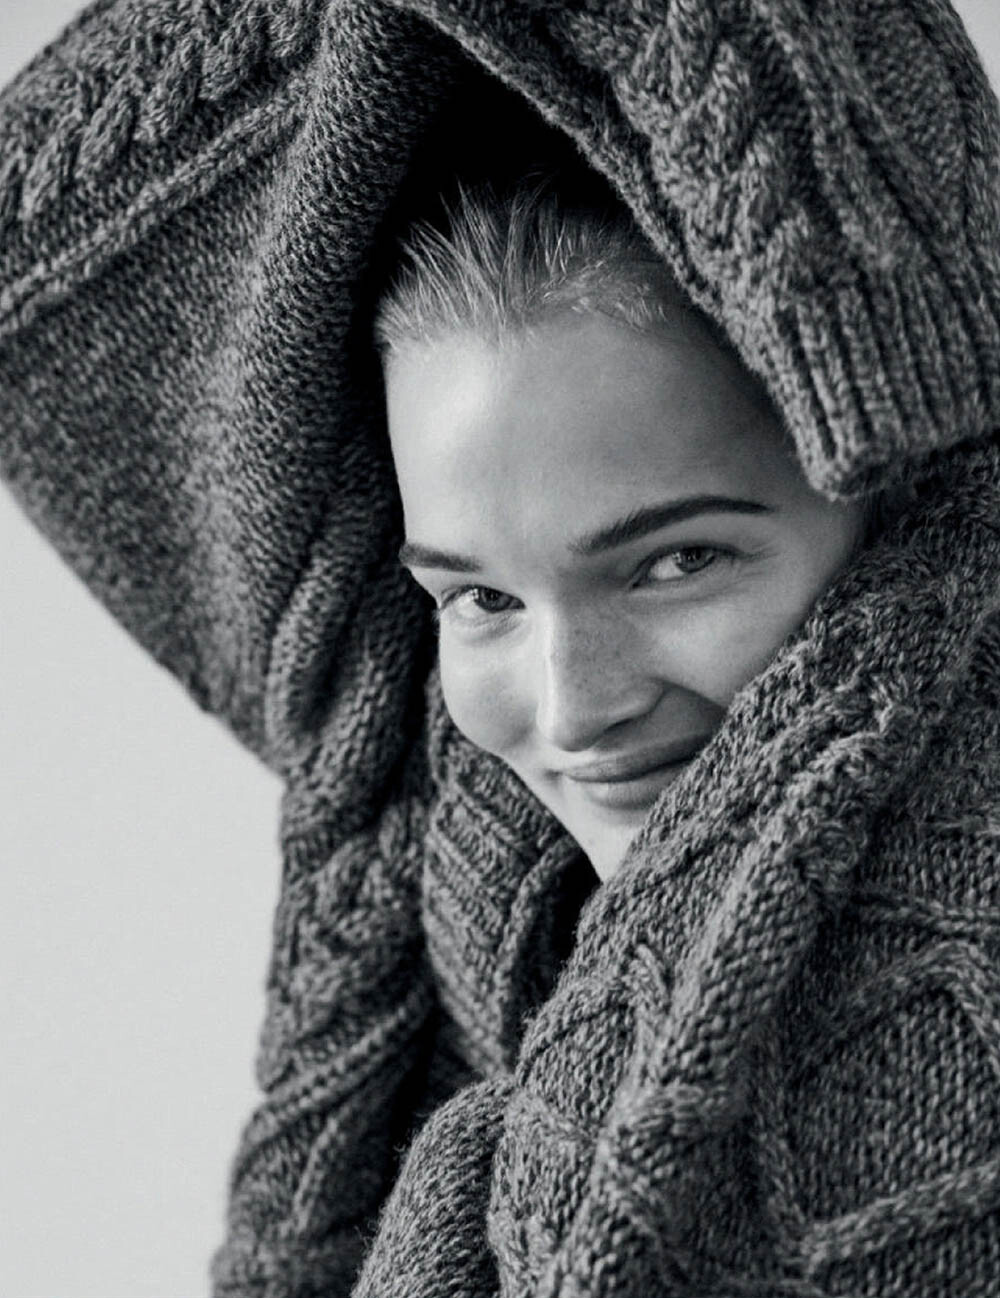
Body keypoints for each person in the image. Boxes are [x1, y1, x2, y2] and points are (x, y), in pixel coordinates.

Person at [2, 2, 999, 1296]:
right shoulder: (473, 931)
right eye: (481, 598)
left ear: (904, 498)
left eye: (678, 561)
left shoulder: (939, 1037)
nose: (573, 707)